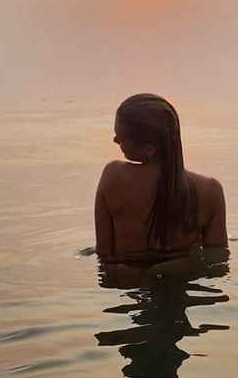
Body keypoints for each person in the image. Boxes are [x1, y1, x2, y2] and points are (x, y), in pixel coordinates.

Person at [94, 93, 228, 261]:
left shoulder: (112, 176)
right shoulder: (210, 191)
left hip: (126, 283)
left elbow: (104, 256)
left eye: (121, 138)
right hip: (181, 282)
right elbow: (218, 265)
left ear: (149, 149)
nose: (114, 140)